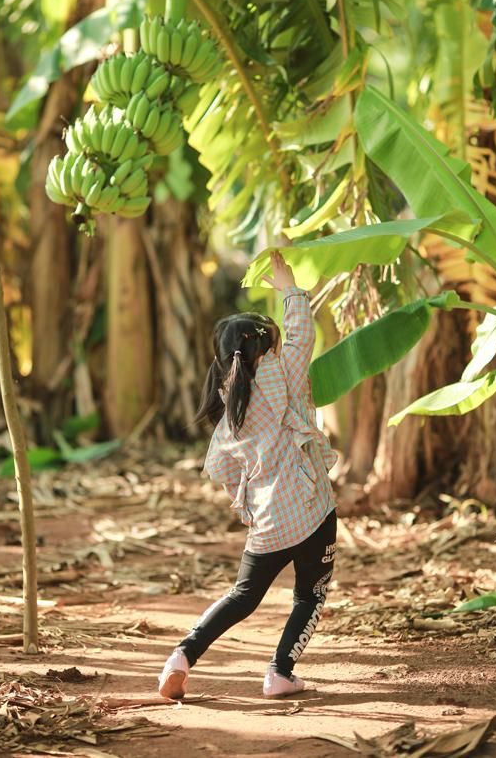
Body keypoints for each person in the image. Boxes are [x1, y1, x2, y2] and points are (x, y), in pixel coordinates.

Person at [157, 250, 338, 700]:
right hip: (313, 513)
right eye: (273, 345)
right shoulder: (287, 379)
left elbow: (220, 468)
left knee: (242, 596)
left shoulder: (230, 414)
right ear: (267, 351)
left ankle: (182, 654)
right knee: (309, 596)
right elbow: (303, 336)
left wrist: (246, 499)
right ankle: (280, 671)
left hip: (268, 526)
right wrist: (289, 288)